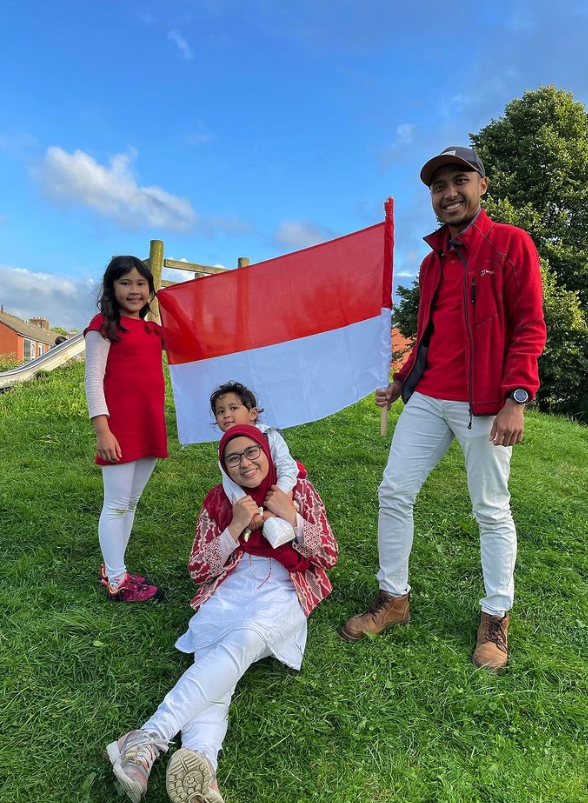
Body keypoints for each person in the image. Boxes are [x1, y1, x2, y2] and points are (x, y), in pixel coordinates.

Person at [341, 146, 547, 672]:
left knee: (491, 509)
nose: (449, 193)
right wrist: (402, 379)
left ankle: (495, 617)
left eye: (460, 180)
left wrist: (516, 397)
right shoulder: (432, 261)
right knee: (394, 492)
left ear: (482, 185)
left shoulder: (511, 243)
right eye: (438, 186)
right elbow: (429, 334)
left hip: (486, 404)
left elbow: (529, 326)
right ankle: (394, 599)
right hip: (429, 397)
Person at [106, 424, 338, 803]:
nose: (245, 463)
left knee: (244, 640)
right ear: (224, 467)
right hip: (229, 587)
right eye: (233, 458)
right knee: (216, 668)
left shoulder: (298, 492)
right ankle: (202, 768)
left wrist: (293, 518)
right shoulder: (220, 500)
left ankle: (148, 737)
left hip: (284, 589)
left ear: (267, 451)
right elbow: (199, 569)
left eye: (252, 452)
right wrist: (234, 527)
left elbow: (328, 554)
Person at [84, 255, 167, 603]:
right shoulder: (104, 326)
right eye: (125, 283)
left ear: (150, 290)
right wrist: (102, 430)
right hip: (119, 427)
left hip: (149, 424)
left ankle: (114, 566)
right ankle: (118, 581)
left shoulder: (154, 331)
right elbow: (93, 380)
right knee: (116, 504)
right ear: (111, 287)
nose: (134, 290)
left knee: (131, 502)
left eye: (141, 284)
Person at [210, 381, 301, 528]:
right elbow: (230, 483)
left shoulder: (269, 435)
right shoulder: (225, 447)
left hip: (279, 487)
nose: (226, 415)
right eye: (220, 411)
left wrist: (277, 501)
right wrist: (249, 511)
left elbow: (286, 468)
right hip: (249, 494)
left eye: (233, 408)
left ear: (252, 414)